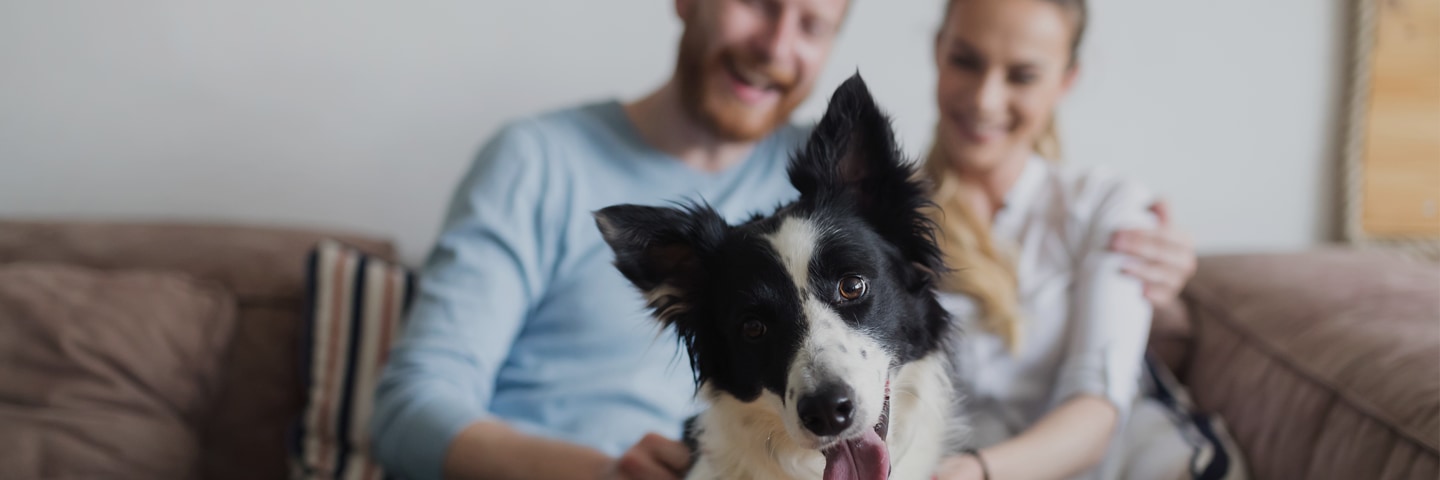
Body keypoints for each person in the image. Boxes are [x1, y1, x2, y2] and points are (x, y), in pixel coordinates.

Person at [371, 1, 1197, 479]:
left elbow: (933, 250)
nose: (777, 45)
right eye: (758, 1)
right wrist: (600, 475)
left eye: (812, 20)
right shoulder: (537, 160)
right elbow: (406, 412)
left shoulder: (824, 190)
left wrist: (1163, 282)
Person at [920, 0, 1221, 479]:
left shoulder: (1107, 206)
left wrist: (976, 472)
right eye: (966, 61)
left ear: (1067, 79)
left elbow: (1097, 410)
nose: (984, 99)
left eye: (1021, 76)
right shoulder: (880, 219)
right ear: (939, 51)